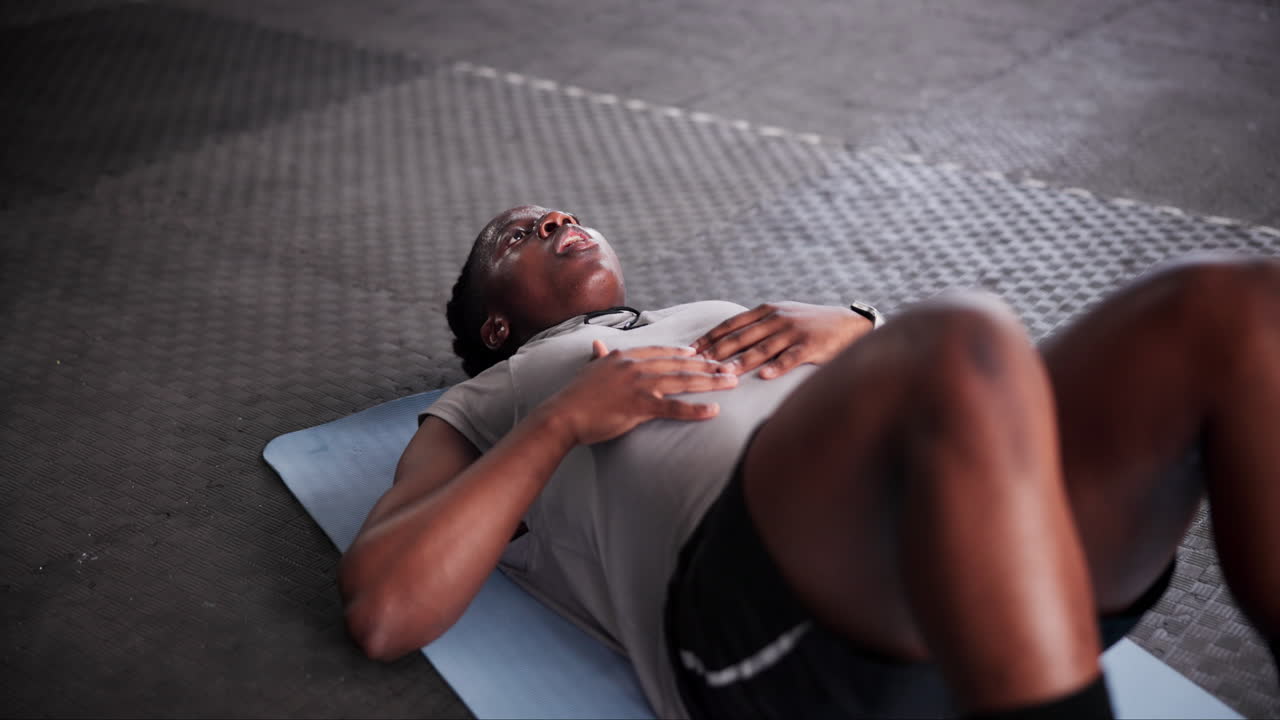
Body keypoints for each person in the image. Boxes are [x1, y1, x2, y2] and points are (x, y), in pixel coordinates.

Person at [338, 204, 1280, 719]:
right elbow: (384, 609)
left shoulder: (701, 306)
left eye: (561, 213)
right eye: (521, 233)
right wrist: (561, 424)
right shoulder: (494, 393)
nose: (555, 221)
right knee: (960, 334)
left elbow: (989, 407)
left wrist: (858, 328)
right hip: (767, 625)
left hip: (988, 569)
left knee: (1230, 308)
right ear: (496, 324)